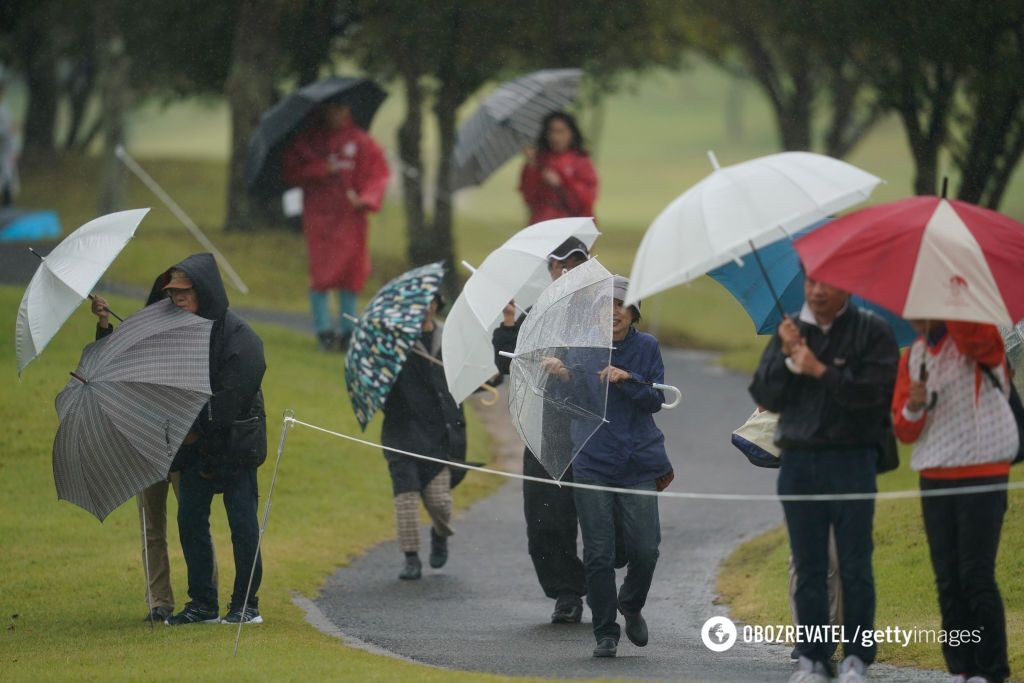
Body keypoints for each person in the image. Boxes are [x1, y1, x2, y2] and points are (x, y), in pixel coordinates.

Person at [749, 276, 898, 683]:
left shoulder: (872, 331)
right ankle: (814, 658)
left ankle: (856, 658)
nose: (816, 291)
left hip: (853, 460)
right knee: (810, 565)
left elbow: (874, 395)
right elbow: (766, 394)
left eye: (827, 284)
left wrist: (819, 369)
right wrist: (784, 355)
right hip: (799, 461)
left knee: (854, 563)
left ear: (848, 287)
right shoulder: (791, 331)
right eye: (811, 282)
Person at [548, 276, 671, 658]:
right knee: (598, 552)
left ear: (634, 312)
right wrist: (563, 377)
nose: (614, 312)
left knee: (646, 549)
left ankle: (630, 603)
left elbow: (655, 400)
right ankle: (605, 631)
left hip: (638, 462)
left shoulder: (647, 346)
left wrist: (627, 378)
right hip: (592, 462)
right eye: (606, 306)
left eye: (621, 305)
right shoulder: (583, 350)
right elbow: (570, 406)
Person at [892, 320, 1016, 683]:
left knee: (976, 574)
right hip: (935, 474)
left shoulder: (978, 333)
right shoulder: (913, 356)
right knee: (947, 578)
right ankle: (961, 666)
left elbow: (986, 349)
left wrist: (951, 306)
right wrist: (914, 407)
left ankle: (991, 669)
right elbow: (903, 429)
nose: (915, 314)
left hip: (983, 469)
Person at [150, 254, 268, 626]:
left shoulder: (242, 338)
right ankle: (202, 604)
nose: (177, 299)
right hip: (196, 447)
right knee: (190, 520)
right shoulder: (176, 333)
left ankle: (246, 604)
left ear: (203, 291)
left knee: (243, 526)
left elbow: (233, 397)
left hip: (235, 445)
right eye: (172, 293)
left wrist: (195, 427)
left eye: (184, 292)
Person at [90, 294, 219, 623]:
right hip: (144, 446)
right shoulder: (139, 343)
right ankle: (159, 602)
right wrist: (105, 324)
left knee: (193, 523)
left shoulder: (187, 346)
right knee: (152, 527)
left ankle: (206, 596)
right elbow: (109, 364)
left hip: (180, 448)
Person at [493, 236, 591, 623]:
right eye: (560, 264)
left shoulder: (603, 310)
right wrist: (507, 326)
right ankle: (567, 592)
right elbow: (507, 365)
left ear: (588, 264)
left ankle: (609, 589)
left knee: (605, 519)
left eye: (576, 262)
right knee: (546, 516)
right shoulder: (537, 314)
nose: (567, 270)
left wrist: (570, 370)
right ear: (550, 269)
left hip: (596, 430)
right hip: (547, 428)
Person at [283, 102, 390, 352]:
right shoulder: (310, 142)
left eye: (342, 109)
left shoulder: (362, 142)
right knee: (321, 274)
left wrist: (365, 199)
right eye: (332, 110)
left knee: (350, 273)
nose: (338, 114)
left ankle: (347, 329)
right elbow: (292, 170)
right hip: (320, 218)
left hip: (351, 219)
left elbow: (378, 175)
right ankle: (323, 330)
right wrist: (320, 169)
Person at [381, 294, 467, 580]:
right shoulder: (395, 342)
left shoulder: (449, 338)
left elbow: (466, 377)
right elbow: (382, 387)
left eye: (432, 301)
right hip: (401, 434)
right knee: (405, 500)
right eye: (420, 303)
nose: (426, 307)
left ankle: (440, 534)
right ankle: (411, 558)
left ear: (437, 305)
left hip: (437, 435)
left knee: (440, 501)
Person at [519, 112, 598, 224]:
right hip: (543, 222)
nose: (555, 137)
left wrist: (562, 182)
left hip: (574, 224)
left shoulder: (580, 161)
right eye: (551, 132)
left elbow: (587, 199)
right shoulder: (539, 160)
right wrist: (533, 169)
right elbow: (529, 196)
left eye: (561, 132)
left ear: (571, 133)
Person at [0, 79, 19, 207]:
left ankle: (8, 208)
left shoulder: (4, 109)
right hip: (3, 151)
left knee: (7, 180)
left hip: (6, 152)